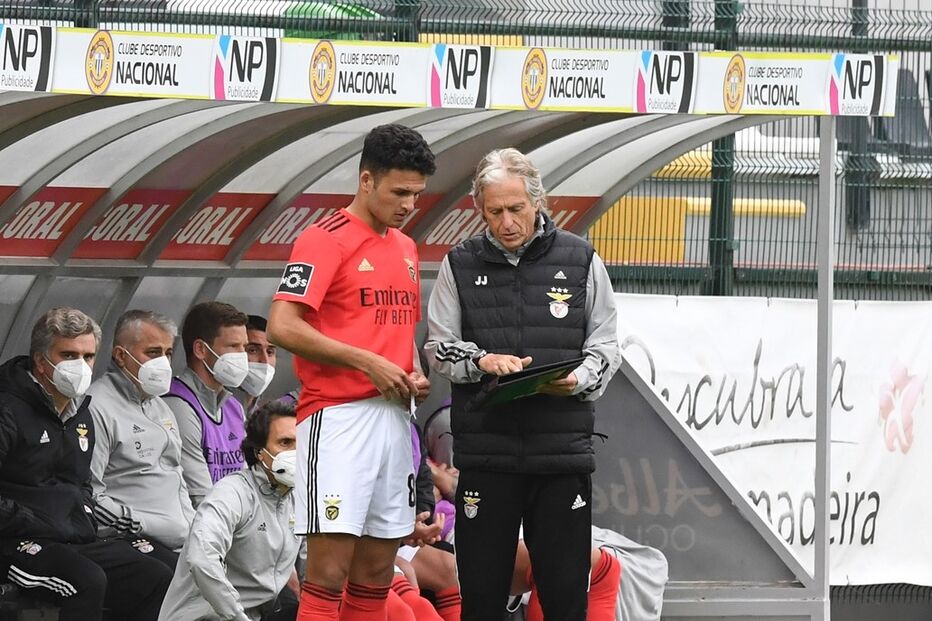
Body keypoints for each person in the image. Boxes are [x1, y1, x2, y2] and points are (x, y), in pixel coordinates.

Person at [424, 147, 621, 620]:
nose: (506, 221)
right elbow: (438, 347)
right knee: (482, 598)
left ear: (538, 202)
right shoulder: (459, 264)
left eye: (516, 208)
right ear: (480, 209)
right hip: (487, 458)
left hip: (560, 459)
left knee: (564, 598)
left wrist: (576, 379)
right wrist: (482, 361)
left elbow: (607, 347)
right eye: (495, 211)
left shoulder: (581, 259)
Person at [267, 123, 436, 621]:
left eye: (417, 194)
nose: (408, 204)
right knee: (328, 575)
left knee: (377, 576)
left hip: (394, 421)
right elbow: (281, 324)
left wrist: (414, 373)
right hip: (337, 420)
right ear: (366, 181)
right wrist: (367, 362)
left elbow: (399, 332)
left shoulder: (405, 248)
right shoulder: (324, 239)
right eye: (399, 192)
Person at [0, 307, 172, 621]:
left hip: (69, 536)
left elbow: (81, 485)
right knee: (86, 581)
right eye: (68, 355)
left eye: (88, 356)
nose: (81, 366)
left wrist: (79, 517)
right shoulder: (7, 407)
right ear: (41, 361)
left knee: (159, 571)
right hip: (13, 542)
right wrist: (37, 521)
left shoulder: (81, 412)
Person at [157, 400, 302, 621]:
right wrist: (236, 617)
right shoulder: (231, 492)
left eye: (300, 444)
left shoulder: (300, 499)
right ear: (259, 452)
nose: (295, 452)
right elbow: (201, 558)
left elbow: (313, 572)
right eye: (285, 443)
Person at [86, 309, 195, 566]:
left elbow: (176, 476)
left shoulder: (159, 406)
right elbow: (91, 494)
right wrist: (142, 523)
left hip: (182, 540)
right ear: (121, 356)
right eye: (153, 353)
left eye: (168, 353)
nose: (164, 363)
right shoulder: (97, 407)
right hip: (131, 540)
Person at [164, 301, 249, 508]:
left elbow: (248, 483)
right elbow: (201, 497)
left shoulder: (233, 407)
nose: (242, 356)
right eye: (233, 346)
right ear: (201, 349)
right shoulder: (177, 405)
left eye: (244, 347)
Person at [235, 314, 278, 415]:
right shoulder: (218, 409)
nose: (265, 360)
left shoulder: (265, 416)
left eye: (270, 352)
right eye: (253, 350)